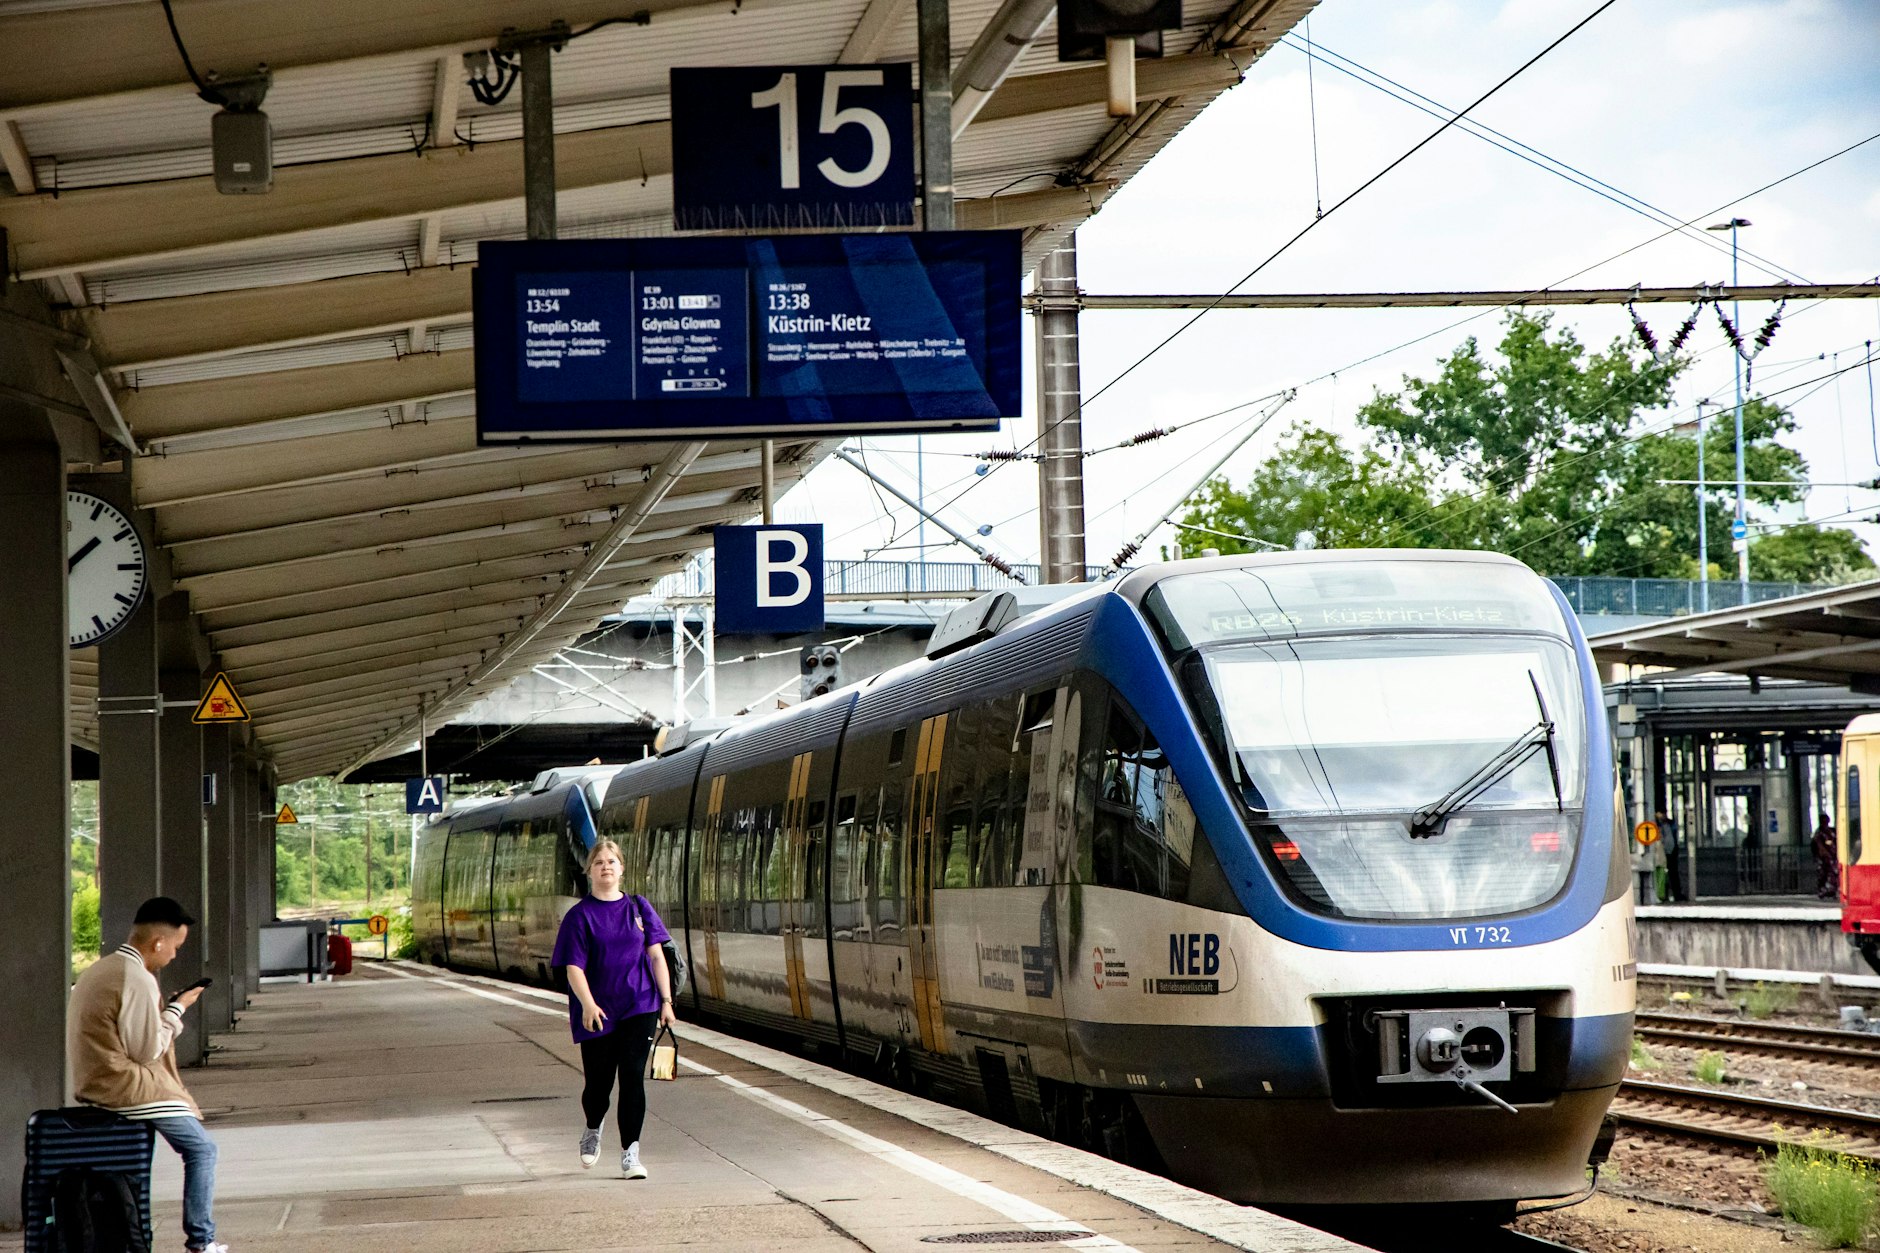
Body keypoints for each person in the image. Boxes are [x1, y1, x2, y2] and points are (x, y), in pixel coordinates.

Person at [67, 896, 226, 1253]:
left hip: (98, 1080)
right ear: (158, 942)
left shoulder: (102, 969)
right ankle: (201, 1240)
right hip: (123, 1086)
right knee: (202, 1149)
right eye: (175, 946)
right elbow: (146, 1050)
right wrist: (176, 1009)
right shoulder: (136, 977)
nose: (173, 955)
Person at [551, 838, 676, 1179]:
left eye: (612, 861)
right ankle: (593, 1126)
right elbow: (572, 967)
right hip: (597, 1010)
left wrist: (665, 1001)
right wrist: (588, 1004)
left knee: (633, 1076)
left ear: (621, 868)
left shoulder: (638, 907)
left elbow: (655, 954)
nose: (606, 866)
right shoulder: (579, 917)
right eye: (599, 862)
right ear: (589, 870)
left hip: (640, 1003)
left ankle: (630, 1154)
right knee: (598, 1084)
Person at [1814, 815, 1840, 900]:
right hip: (1824, 858)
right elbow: (1819, 845)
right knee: (1823, 874)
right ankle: (1822, 890)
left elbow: (1837, 841)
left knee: (1834, 873)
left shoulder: (1832, 831)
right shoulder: (1819, 833)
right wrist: (1826, 855)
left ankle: (1833, 890)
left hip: (1834, 856)